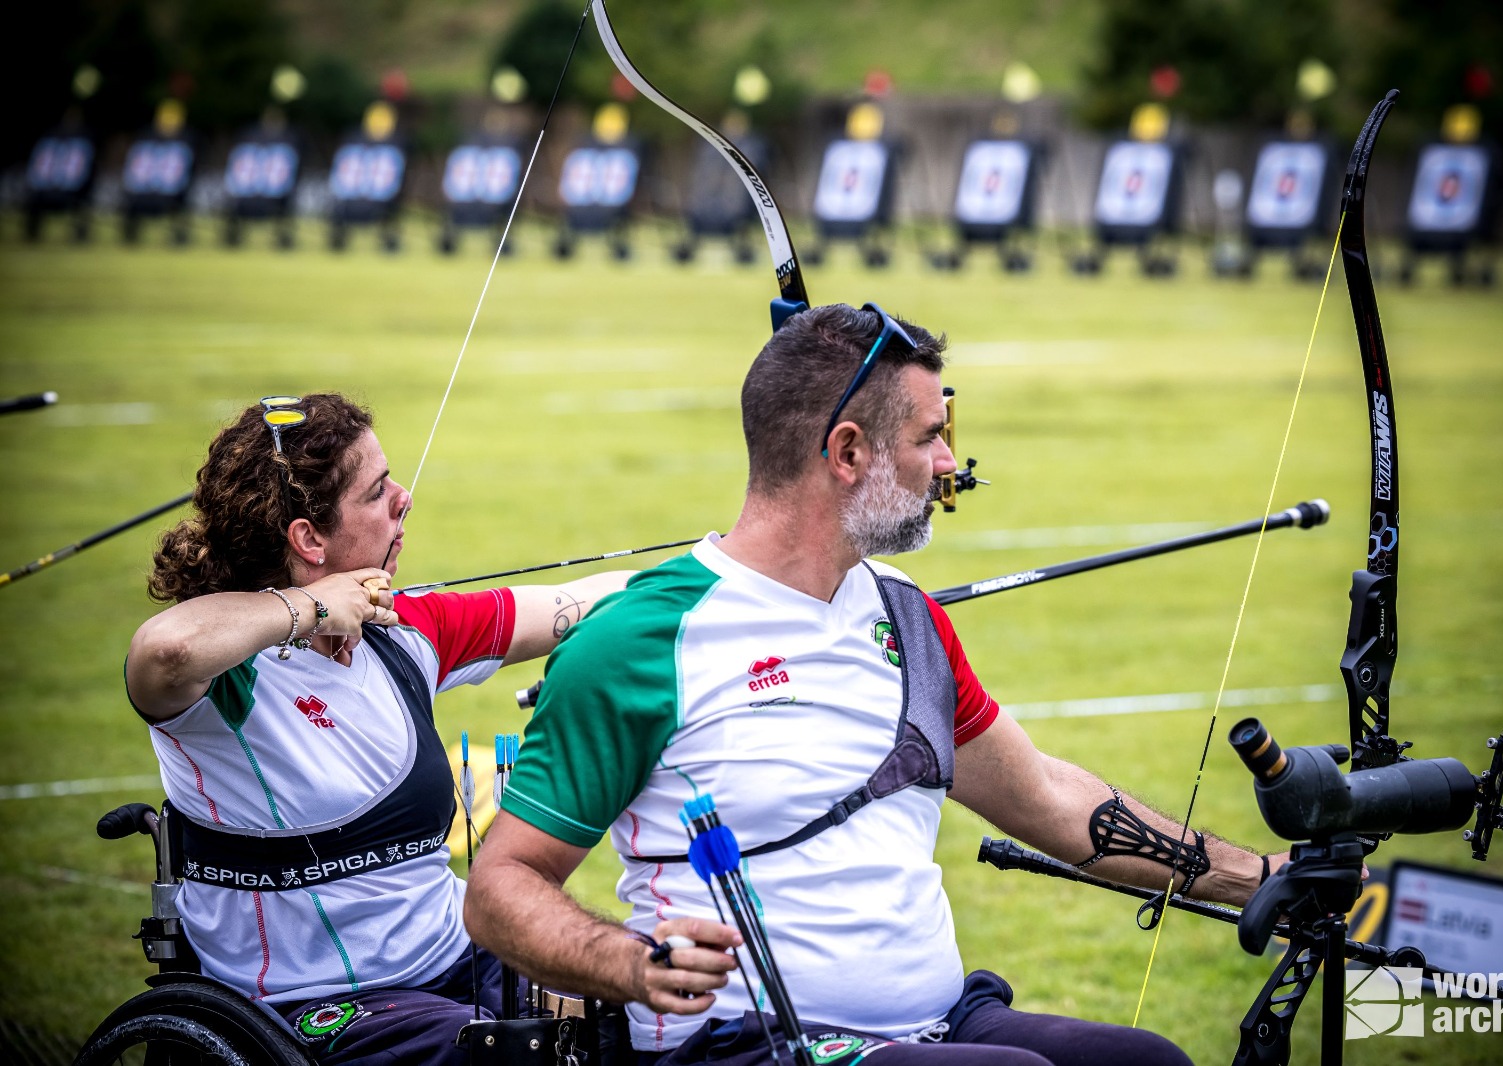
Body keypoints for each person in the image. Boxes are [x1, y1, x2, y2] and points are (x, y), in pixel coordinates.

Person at [464, 305, 1279, 1066]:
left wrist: (1260, 880)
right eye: (930, 437)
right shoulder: (639, 643)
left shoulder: (906, 615)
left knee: (1148, 1062)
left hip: (935, 1023)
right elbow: (502, 887)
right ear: (848, 452)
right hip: (740, 1043)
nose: (949, 464)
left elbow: (1050, 801)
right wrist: (631, 963)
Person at [126, 392, 630, 1066]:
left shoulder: (404, 632)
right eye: (376, 492)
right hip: (311, 1005)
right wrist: (307, 607)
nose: (404, 498)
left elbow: (592, 601)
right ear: (309, 538)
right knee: (511, 1055)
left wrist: (724, 572)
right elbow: (164, 652)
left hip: (459, 954)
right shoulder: (227, 679)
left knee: (645, 1012)